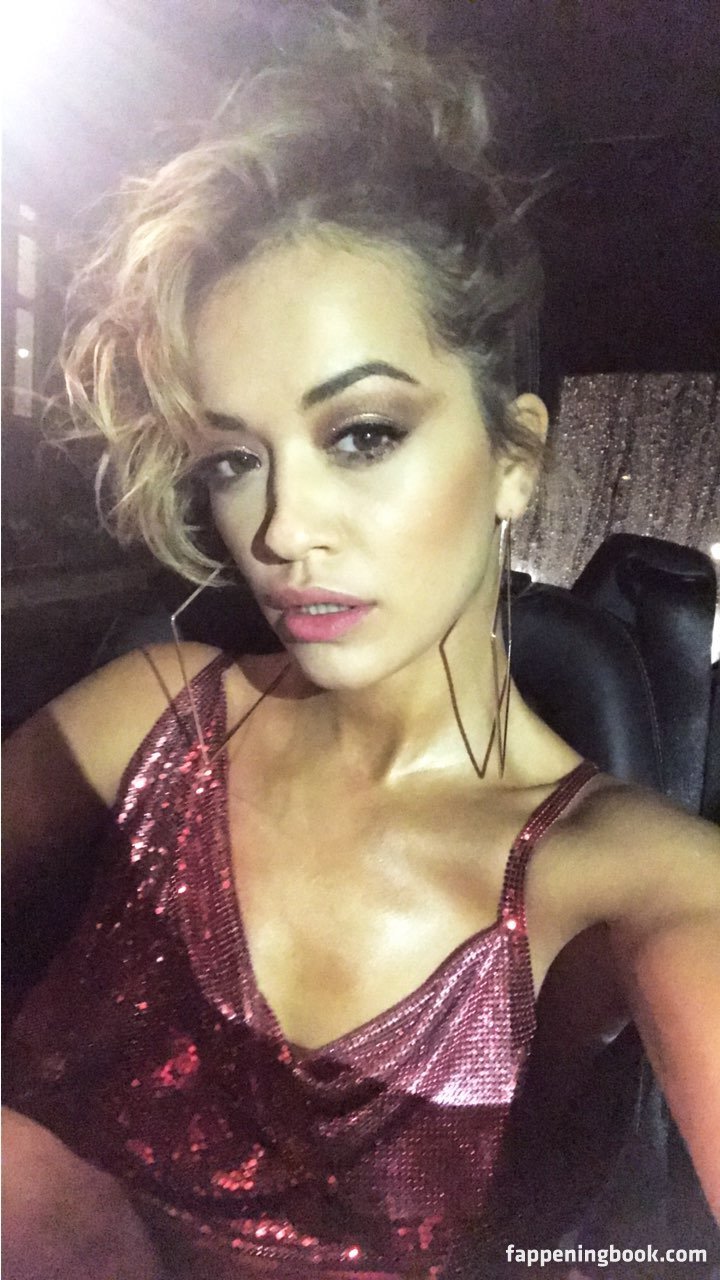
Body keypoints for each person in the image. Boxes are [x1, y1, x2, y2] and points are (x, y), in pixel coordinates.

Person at [3, 6, 719, 1278]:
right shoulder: (154, 712)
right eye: (234, 458)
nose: (282, 528)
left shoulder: (629, 880)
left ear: (516, 456)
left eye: (363, 434)